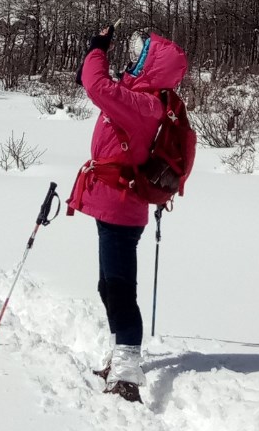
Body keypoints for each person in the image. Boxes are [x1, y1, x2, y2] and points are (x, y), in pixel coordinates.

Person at [68, 22, 190, 400]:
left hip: (121, 206)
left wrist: (98, 47)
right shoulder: (135, 96)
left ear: (151, 67)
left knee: (120, 288)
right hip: (112, 203)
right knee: (108, 286)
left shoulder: (145, 104)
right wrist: (91, 61)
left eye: (140, 57)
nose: (133, 61)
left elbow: (96, 85)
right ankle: (120, 353)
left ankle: (128, 369)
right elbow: (91, 83)